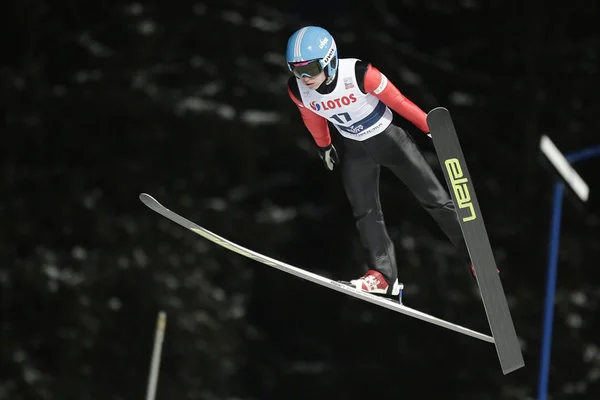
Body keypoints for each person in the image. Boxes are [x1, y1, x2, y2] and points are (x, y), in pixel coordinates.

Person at [285, 25, 477, 296]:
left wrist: (430, 127)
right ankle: (383, 276)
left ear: (329, 60)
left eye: (311, 69)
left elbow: (399, 101)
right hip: (355, 150)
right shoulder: (298, 89)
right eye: (296, 69)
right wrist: (324, 145)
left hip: (389, 140)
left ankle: (473, 256)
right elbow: (312, 117)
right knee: (365, 212)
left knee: (434, 199)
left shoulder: (361, 74)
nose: (305, 77)